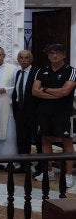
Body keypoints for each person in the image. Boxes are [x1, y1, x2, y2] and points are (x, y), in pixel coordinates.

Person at [32, 44, 75, 187]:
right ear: (48, 55)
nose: (54, 56)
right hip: (44, 112)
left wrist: (45, 89)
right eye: (51, 53)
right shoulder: (41, 71)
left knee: (67, 142)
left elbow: (65, 92)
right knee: (45, 140)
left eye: (58, 53)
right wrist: (55, 93)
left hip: (63, 113)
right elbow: (35, 91)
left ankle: (68, 175)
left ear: (64, 55)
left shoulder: (71, 71)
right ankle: (48, 171)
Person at [12, 50, 39, 157]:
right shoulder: (18, 73)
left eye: (26, 58)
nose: (23, 60)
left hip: (33, 111)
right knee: (21, 138)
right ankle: (23, 164)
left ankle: (41, 166)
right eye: (21, 58)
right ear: (18, 60)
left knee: (37, 139)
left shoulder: (36, 72)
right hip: (19, 110)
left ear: (31, 59)